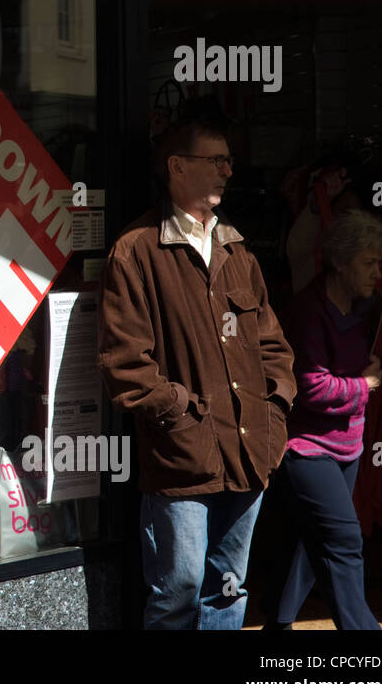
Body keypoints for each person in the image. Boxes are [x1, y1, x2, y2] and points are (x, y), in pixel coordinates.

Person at [98, 118, 297, 629]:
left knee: (229, 591)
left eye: (229, 160)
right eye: (216, 160)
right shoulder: (137, 250)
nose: (228, 170)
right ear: (177, 167)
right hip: (182, 461)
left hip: (251, 451)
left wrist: (274, 410)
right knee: (179, 593)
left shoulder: (238, 248)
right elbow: (125, 366)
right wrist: (182, 413)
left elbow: (273, 344)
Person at [264, 209, 382, 630]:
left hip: (347, 446)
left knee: (308, 542)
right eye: (368, 263)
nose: (377, 272)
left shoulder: (365, 306)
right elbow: (312, 387)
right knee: (343, 541)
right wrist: (364, 385)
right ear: (341, 261)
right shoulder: (307, 312)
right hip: (306, 448)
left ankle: (277, 625)